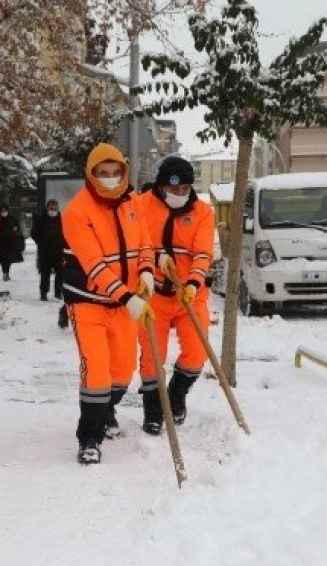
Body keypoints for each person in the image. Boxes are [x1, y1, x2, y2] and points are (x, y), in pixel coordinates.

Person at [61, 143, 155, 463]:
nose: (111, 178)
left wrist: (146, 273)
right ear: (91, 173)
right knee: (97, 371)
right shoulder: (76, 212)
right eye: (104, 173)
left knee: (123, 370)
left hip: (125, 302)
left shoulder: (133, 202)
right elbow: (94, 265)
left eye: (116, 172)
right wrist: (127, 297)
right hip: (88, 301)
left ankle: (107, 410)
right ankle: (89, 436)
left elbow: (145, 243)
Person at [135, 156, 215, 436]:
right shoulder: (141, 206)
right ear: (160, 186)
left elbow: (203, 252)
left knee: (197, 349)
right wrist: (157, 257)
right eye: (173, 190)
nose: (179, 195)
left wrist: (194, 282)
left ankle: (177, 393)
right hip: (153, 293)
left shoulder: (203, 212)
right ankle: (154, 410)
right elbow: (135, 244)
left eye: (184, 189)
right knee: (153, 356)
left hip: (189, 293)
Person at [32, 199, 64, 302]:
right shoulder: (41, 219)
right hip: (45, 251)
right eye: (51, 208)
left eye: (55, 209)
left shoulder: (62, 219)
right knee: (45, 273)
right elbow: (34, 233)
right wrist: (40, 242)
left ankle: (58, 292)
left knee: (61, 272)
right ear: (47, 208)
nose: (53, 210)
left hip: (59, 251)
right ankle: (43, 293)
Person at [0, 205, 24, 281]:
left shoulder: (12, 218)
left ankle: (6, 273)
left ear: (7, 211)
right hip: (1, 242)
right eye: (2, 211)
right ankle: (5, 273)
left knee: (9, 259)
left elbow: (17, 227)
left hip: (11, 241)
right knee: (3, 258)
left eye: (5, 211)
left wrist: (16, 229)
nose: (3, 212)